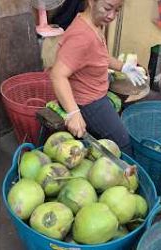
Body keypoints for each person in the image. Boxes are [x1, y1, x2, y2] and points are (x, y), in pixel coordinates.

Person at [49, 0, 146, 156]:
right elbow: (57, 75)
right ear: (91, 2)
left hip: (96, 94)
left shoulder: (95, 23)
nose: (112, 16)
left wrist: (123, 67)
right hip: (88, 102)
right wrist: (74, 113)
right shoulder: (81, 36)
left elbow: (99, 56)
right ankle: (127, 175)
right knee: (123, 144)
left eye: (117, 10)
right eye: (107, 8)